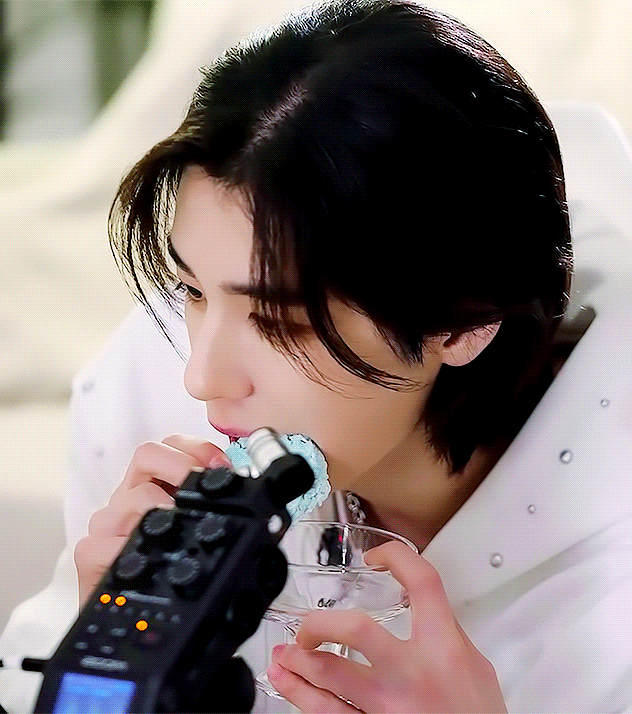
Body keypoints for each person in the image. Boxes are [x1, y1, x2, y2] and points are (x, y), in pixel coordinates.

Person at [2, 0, 632, 712]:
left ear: (463, 323)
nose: (202, 377)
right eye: (193, 290)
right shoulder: (147, 393)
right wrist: (106, 663)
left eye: (279, 322)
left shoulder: (611, 577)